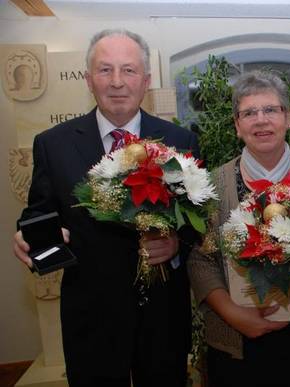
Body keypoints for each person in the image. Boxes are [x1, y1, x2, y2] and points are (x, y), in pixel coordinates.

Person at [12, 29, 199, 387]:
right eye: (105, 70)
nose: (117, 82)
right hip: (90, 319)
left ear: (145, 81)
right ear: (88, 80)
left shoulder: (181, 141)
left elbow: (197, 221)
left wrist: (176, 244)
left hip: (162, 318)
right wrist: (30, 237)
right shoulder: (53, 144)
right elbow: (38, 214)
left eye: (128, 70)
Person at [187, 70, 290, 387]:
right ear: (237, 127)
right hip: (240, 339)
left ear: (288, 118)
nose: (261, 120)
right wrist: (232, 313)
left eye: (271, 109)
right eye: (249, 113)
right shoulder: (215, 183)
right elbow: (201, 259)